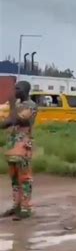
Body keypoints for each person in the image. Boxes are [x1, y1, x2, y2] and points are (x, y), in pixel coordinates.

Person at [1, 81, 37, 220]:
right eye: (15, 88)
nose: (15, 90)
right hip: (12, 146)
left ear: (26, 90)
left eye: (18, 88)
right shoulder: (16, 105)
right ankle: (16, 205)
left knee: (25, 178)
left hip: (23, 145)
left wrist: (11, 107)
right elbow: (8, 122)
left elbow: (20, 120)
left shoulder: (31, 106)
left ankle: (25, 208)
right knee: (14, 178)